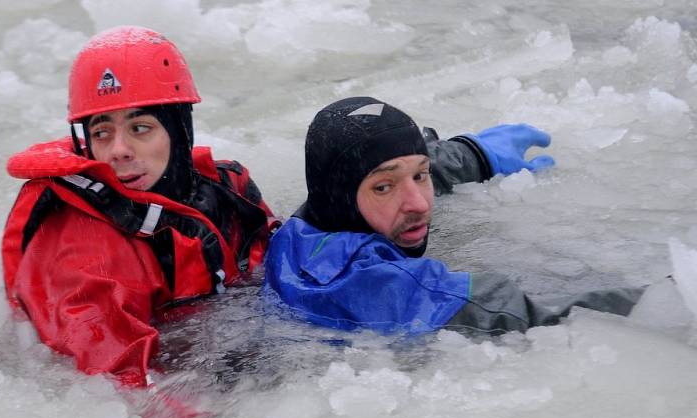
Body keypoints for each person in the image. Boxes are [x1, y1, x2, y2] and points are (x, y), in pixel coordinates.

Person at [0, 26, 278, 388]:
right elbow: (121, 389)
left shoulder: (227, 191)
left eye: (140, 128)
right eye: (102, 133)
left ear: (179, 132)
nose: (119, 150)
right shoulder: (87, 248)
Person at [264, 96, 643, 335]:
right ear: (340, 197)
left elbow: (398, 165)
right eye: (384, 187)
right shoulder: (357, 281)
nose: (418, 203)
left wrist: (472, 154)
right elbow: (513, 313)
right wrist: (668, 299)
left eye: (420, 175)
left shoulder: (315, 222)